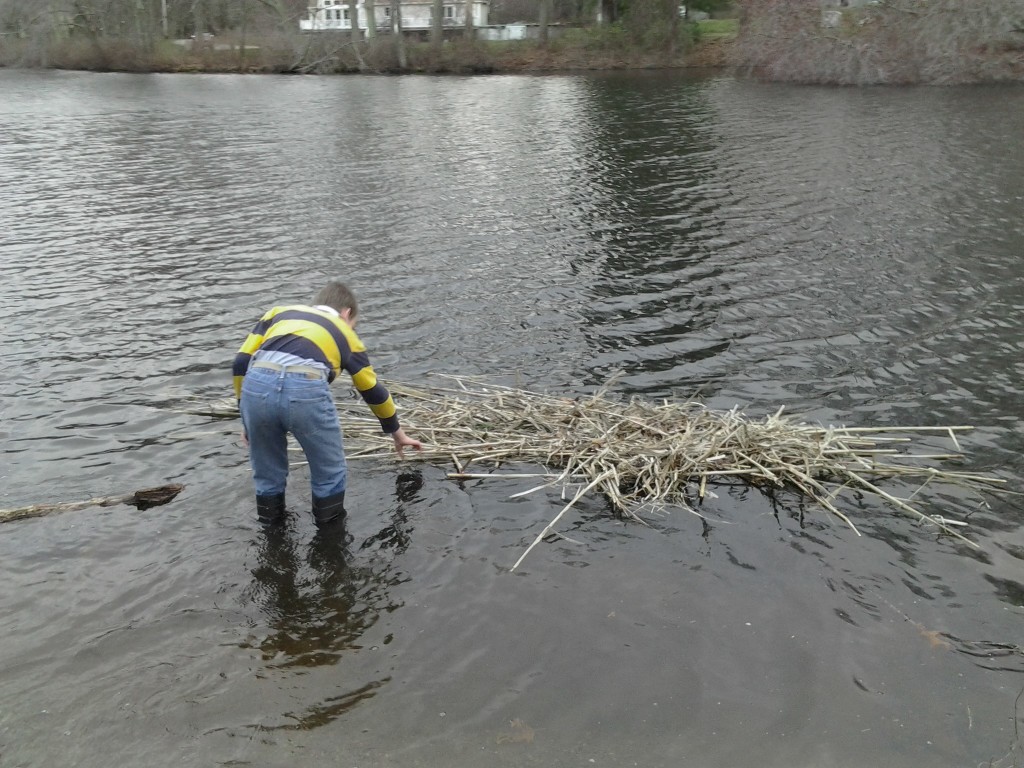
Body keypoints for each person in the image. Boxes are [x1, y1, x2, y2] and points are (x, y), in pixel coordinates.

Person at [233, 280, 422, 527]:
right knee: (329, 474)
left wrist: (246, 416)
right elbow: (372, 390)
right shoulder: (346, 334)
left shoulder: (278, 313)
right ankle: (329, 542)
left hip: (257, 384)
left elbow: (240, 362)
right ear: (347, 314)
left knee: (267, 476)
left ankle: (272, 536)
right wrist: (397, 433)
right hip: (305, 388)